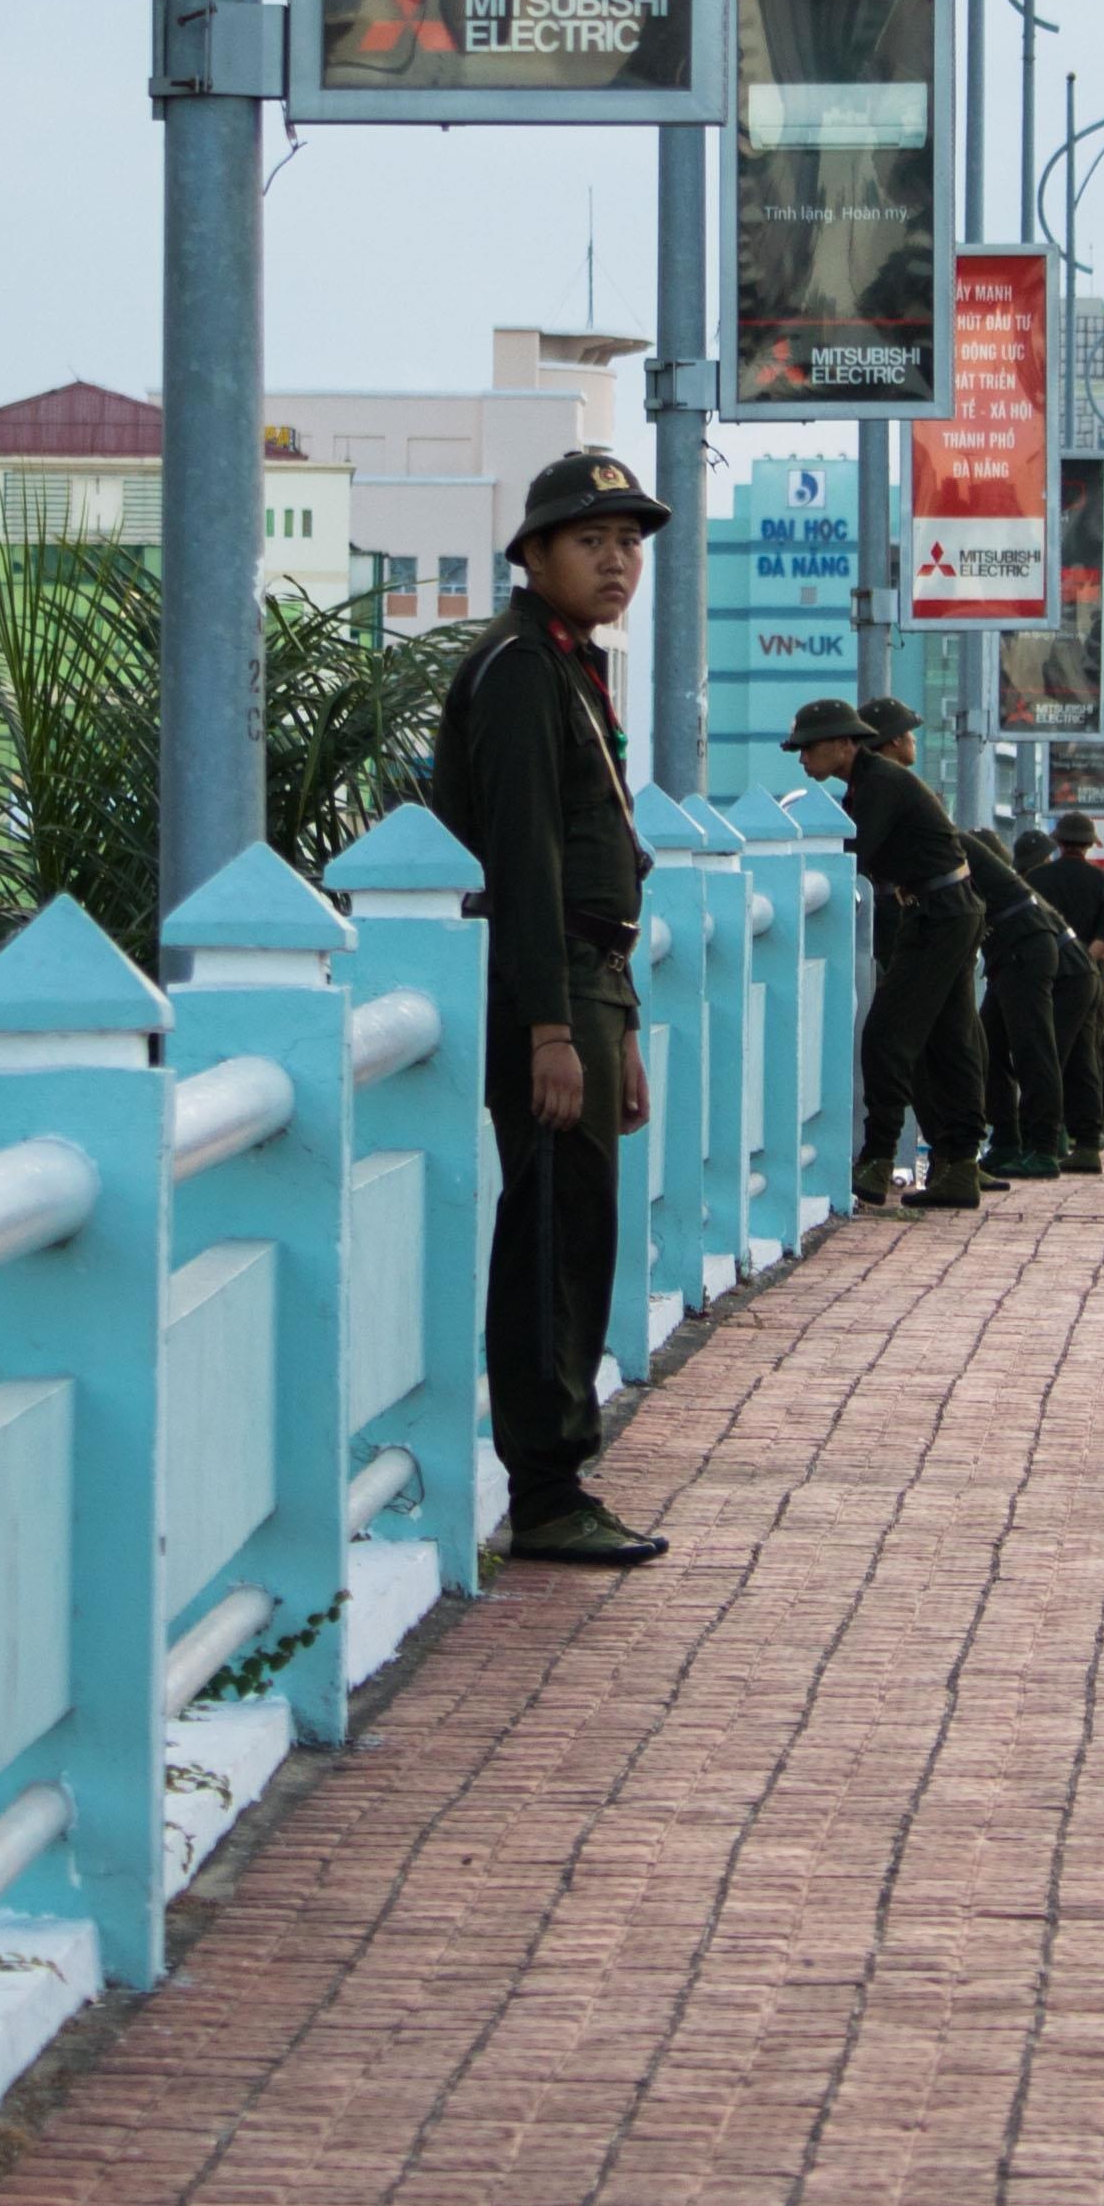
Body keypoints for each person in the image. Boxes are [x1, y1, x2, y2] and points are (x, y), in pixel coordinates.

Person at [429, 447, 676, 1568]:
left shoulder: (568, 661)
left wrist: (610, 1021)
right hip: (548, 985)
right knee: (548, 1238)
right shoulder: (523, 668)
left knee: (580, 1232)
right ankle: (546, 1492)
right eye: (592, 540)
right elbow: (525, 862)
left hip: (587, 983)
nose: (618, 558)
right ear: (532, 554)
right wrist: (551, 1030)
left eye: (629, 540)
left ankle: (557, 1476)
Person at [789, 696, 985, 1208]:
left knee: (887, 1035)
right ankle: (958, 1165)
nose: (803, 760)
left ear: (841, 743)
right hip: (944, 908)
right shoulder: (869, 783)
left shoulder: (878, 784)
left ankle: (878, 1159)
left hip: (941, 913)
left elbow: (853, 854)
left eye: (808, 748)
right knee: (948, 1040)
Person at [970, 825, 1079, 1182]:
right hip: (1011, 958)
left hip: (1025, 953)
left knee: (1034, 1050)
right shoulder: (1002, 878)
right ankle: (1006, 1138)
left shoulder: (989, 876)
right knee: (991, 1046)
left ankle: (1043, 1147)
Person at [1027, 811, 1104, 1168]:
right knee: (1085, 1058)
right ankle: (1086, 1144)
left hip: (1045, 973)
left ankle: (1045, 1142)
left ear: (1059, 841)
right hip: (1088, 979)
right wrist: (1082, 964)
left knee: (1048, 1054)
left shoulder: (1036, 878)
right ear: (1088, 844)